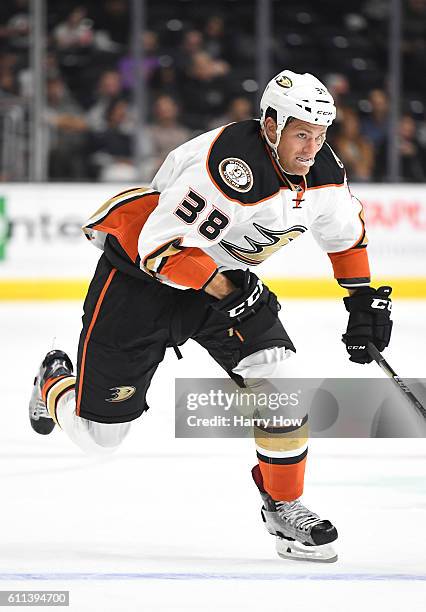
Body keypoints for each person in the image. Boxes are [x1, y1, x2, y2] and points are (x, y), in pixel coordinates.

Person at [29, 70, 393, 563]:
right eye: (301, 133)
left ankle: (284, 505)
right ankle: (55, 382)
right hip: (141, 287)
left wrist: (360, 300)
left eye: (320, 134)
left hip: (224, 285)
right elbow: (159, 248)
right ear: (271, 123)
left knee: (280, 381)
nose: (312, 147)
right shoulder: (226, 167)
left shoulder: (322, 169)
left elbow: (345, 233)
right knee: (100, 438)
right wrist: (227, 288)